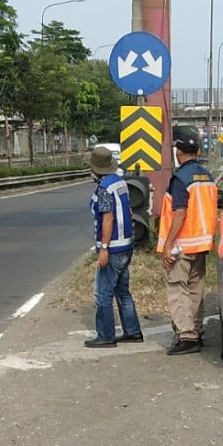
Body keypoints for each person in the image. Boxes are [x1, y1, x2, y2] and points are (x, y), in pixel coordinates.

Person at [157, 131, 219, 356]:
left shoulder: (180, 179)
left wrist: (167, 244)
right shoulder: (208, 177)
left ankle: (186, 336)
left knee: (177, 289)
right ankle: (195, 330)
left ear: (178, 153)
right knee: (195, 289)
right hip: (202, 244)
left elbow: (180, 213)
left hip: (181, 245)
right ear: (199, 152)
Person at [84, 145, 143, 349]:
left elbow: (107, 218)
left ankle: (106, 335)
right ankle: (132, 331)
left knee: (103, 294)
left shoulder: (104, 189)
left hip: (113, 249)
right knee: (122, 292)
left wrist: (104, 248)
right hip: (126, 245)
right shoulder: (120, 183)